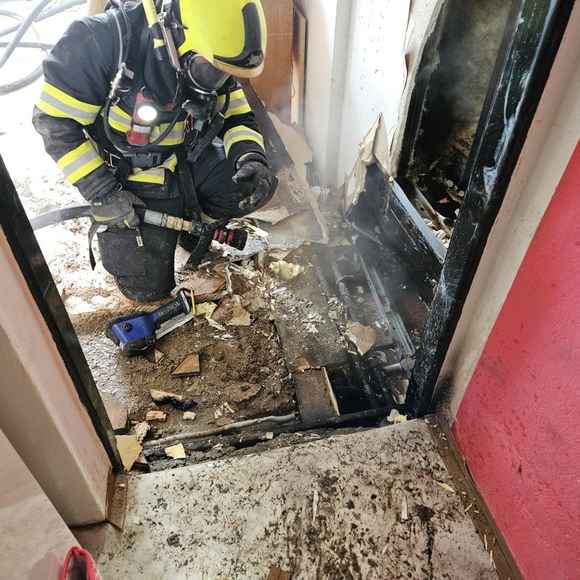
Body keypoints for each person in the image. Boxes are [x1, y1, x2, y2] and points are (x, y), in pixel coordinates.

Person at [33, 0, 277, 302]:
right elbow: (53, 122)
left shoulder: (210, 58)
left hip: (185, 161)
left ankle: (191, 228)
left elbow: (237, 113)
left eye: (225, 74)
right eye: (211, 72)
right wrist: (103, 192)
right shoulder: (97, 41)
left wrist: (251, 156)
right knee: (147, 290)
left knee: (250, 185)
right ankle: (161, 232)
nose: (217, 83)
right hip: (129, 180)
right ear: (176, 34)